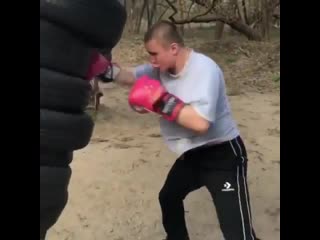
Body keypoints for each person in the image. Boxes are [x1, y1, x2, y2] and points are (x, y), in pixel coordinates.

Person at [99, 20, 260, 240]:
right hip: (192, 155)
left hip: (223, 157)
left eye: (154, 54)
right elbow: (130, 76)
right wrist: (106, 70)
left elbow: (201, 123)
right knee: (169, 198)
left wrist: (160, 101)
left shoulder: (204, 70)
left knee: (237, 233)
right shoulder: (161, 68)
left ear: (173, 48)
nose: (151, 61)